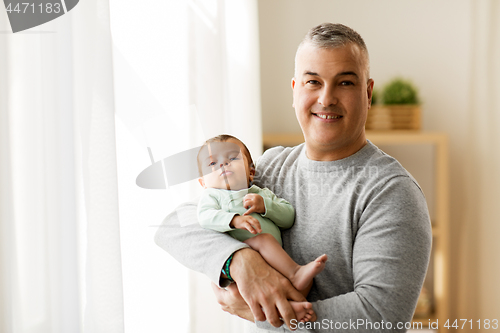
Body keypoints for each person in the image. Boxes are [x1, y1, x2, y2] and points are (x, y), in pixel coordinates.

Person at [155, 23, 432, 332]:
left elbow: (379, 318)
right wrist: (242, 262)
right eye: (313, 81)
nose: (326, 98)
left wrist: (265, 313)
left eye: (345, 83)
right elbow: (176, 225)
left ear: (367, 93)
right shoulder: (271, 166)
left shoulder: (391, 191)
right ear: (295, 90)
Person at [196, 134, 328, 323]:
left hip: (273, 262)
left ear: (251, 172)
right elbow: (205, 217)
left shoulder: (260, 193)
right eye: (212, 164)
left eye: (232, 158)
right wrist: (234, 220)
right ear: (203, 183)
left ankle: (291, 309)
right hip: (239, 262)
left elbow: (288, 216)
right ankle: (295, 273)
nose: (223, 165)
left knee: (303, 287)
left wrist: (266, 206)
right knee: (263, 240)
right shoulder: (212, 197)